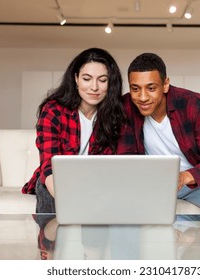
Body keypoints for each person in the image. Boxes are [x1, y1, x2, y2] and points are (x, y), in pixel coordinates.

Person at [117, 53, 200, 215]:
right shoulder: (125, 107)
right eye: (135, 89)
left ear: (165, 84)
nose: (142, 97)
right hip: (152, 186)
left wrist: (184, 177)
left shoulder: (193, 104)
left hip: (196, 182)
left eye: (151, 88)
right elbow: (126, 159)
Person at [22, 48, 125, 213]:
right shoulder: (53, 110)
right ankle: (50, 238)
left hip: (96, 182)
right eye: (87, 79)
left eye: (102, 80)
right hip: (57, 179)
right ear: (76, 78)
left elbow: (113, 169)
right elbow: (49, 166)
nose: (94, 87)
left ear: (111, 83)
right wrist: (72, 202)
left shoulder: (116, 115)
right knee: (47, 190)